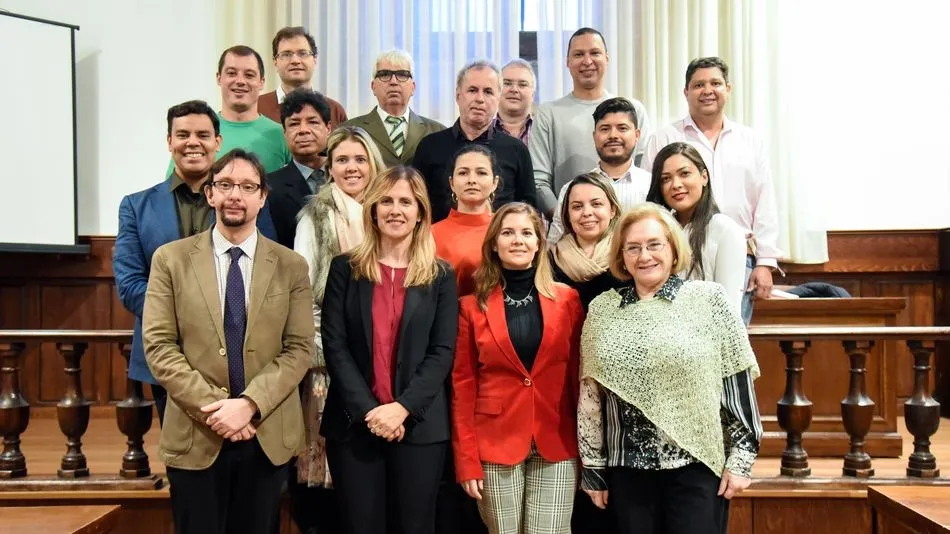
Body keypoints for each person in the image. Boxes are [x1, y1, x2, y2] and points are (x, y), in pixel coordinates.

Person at [142, 148, 312, 533]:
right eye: (226, 185)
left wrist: (249, 405)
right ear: (210, 194)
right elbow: (160, 346)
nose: (236, 194)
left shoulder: (290, 266)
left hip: (264, 431)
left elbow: (299, 347)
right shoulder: (171, 260)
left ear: (262, 197)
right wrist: (218, 409)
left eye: (248, 186)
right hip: (197, 430)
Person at [578, 203, 762, 534]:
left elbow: (737, 381)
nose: (644, 255)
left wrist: (742, 458)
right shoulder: (603, 309)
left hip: (698, 464)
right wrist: (593, 466)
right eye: (632, 248)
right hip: (628, 468)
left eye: (654, 244)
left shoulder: (708, 300)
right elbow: (591, 397)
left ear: (673, 249)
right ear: (621, 257)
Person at [115, 101, 277, 424]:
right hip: (167, 358)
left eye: (203, 134)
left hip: (242, 351)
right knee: (186, 463)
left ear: (218, 142)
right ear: (169, 141)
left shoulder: (245, 202)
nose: (193, 142)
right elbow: (130, 285)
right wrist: (191, 317)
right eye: (183, 134)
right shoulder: (136, 207)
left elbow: (266, 270)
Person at [320, 166, 459, 534]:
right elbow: (335, 346)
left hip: (419, 427)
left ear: (420, 212)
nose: (395, 210)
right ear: (373, 209)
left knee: (415, 526)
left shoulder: (441, 275)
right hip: (355, 426)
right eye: (386, 201)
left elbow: (442, 351)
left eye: (406, 202)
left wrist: (401, 409)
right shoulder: (344, 269)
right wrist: (371, 413)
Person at [452, 202, 582, 534]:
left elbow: (578, 379)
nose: (518, 240)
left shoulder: (568, 300)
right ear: (494, 243)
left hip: (556, 439)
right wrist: (466, 459)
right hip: (495, 441)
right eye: (508, 233)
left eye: (527, 233)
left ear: (540, 242)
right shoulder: (470, 306)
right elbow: (463, 386)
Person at [289, 125, 385, 534]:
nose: (351, 167)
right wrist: (323, 353)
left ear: (373, 165)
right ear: (329, 167)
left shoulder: (388, 208)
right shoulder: (317, 216)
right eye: (342, 160)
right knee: (328, 470)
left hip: (381, 354)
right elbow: (303, 287)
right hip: (329, 357)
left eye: (359, 159)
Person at [640, 56, 781, 324]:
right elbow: (652, 206)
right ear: (686, 92)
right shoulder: (664, 138)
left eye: (715, 83)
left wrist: (765, 262)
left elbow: (765, 202)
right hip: (678, 256)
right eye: (698, 85)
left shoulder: (750, 140)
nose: (707, 90)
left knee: (729, 335)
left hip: (740, 255)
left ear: (728, 88)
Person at [530, 28, 651, 220]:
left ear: (607, 58)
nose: (587, 61)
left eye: (594, 53)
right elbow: (539, 182)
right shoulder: (548, 114)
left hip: (631, 231)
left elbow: (642, 173)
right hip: (572, 232)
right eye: (578, 54)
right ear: (567, 61)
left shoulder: (632, 110)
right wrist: (569, 222)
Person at [413, 60, 537, 223]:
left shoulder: (516, 149)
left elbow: (527, 208)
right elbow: (416, 203)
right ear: (458, 96)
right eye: (472, 90)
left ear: (498, 98)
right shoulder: (430, 146)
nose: (480, 99)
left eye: (488, 92)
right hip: (438, 243)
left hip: (498, 245)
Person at [646, 142, 747, 317]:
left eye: (684, 174)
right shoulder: (657, 230)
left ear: (704, 177)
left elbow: (729, 308)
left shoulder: (724, 229)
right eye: (666, 179)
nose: (676, 184)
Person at [547, 97, 650, 244]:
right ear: (595, 136)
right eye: (605, 129)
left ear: (637, 135)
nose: (613, 135)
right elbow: (553, 247)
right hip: (583, 266)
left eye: (622, 128)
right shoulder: (572, 190)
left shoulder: (651, 185)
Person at [342, 49, 446, 167]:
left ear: (413, 87)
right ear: (373, 87)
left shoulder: (437, 132)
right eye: (385, 75)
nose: (393, 82)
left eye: (402, 75)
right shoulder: (349, 130)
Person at [266, 89, 333, 249]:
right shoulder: (268, 186)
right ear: (284, 132)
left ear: (328, 128)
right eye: (294, 124)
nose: (303, 130)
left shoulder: (348, 178)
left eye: (313, 122)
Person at [550, 173, 625, 311]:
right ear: (567, 214)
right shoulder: (550, 259)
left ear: (612, 210)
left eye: (596, 204)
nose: (587, 212)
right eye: (577, 207)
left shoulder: (626, 254)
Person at [432, 145, 499, 297]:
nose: (472, 180)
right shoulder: (431, 235)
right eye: (463, 173)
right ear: (451, 183)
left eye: (481, 173)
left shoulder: (506, 228)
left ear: (494, 182)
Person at [258, 26, 348, 126]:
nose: (295, 61)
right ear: (275, 62)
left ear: (314, 59)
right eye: (286, 54)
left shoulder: (335, 111)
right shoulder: (257, 108)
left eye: (303, 53)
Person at [493, 58, 536, 144]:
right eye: (507, 83)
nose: (514, 90)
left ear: (533, 95)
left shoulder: (546, 133)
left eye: (522, 85)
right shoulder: (481, 132)